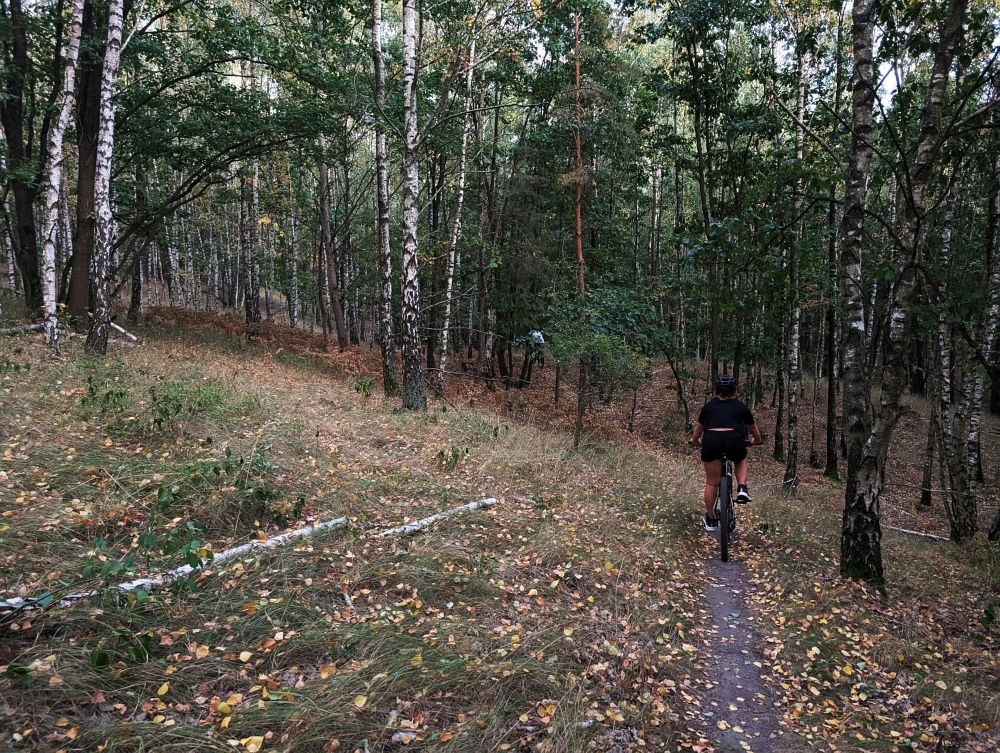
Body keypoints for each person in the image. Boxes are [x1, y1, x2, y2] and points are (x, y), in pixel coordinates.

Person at [690, 375, 763, 531]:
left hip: (712, 442)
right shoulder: (740, 406)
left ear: (716, 390)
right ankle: (742, 488)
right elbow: (752, 428)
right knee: (740, 459)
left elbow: (699, 428)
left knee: (712, 483)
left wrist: (695, 441)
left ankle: (711, 519)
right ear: (734, 390)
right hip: (734, 440)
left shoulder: (708, 407)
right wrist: (757, 440)